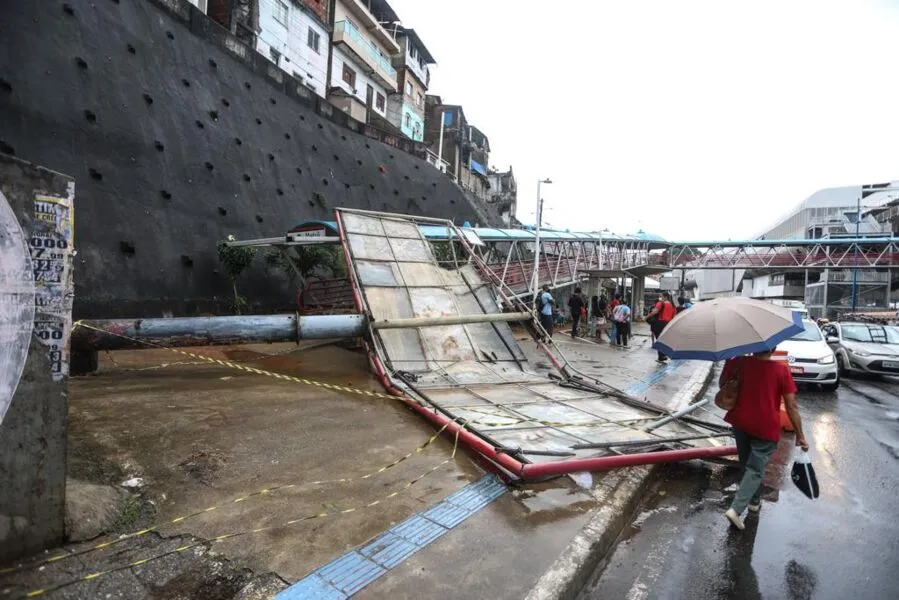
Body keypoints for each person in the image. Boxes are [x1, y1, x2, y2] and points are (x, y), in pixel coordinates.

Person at [720, 350, 808, 531]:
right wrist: (800, 435)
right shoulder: (780, 370)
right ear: (773, 347)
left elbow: (724, 385)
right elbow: (791, 405)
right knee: (755, 469)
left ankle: (753, 501)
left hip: (741, 421)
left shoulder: (738, 362)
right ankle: (736, 509)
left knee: (746, 463)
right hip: (765, 426)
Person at [645, 292, 677, 363]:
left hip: (660, 323)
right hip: (668, 324)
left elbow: (655, 312)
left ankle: (661, 356)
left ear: (665, 297)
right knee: (664, 340)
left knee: (659, 340)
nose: (660, 298)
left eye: (661, 296)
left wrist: (646, 317)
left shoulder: (661, 303)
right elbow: (674, 316)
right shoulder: (672, 305)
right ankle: (663, 355)